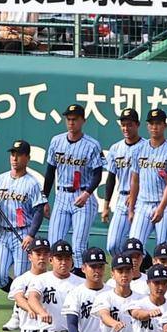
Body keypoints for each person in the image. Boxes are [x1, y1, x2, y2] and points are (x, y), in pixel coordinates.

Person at [0, 138, 46, 305]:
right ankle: (20, 299)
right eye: (13, 154)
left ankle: (19, 310)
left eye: (19, 155)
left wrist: (31, 235)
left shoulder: (32, 183)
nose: (14, 158)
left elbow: (39, 210)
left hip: (22, 234)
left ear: (27, 158)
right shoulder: (0, 180)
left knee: (22, 278)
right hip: (3, 233)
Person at [44, 104, 105, 255]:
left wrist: (87, 193)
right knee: (54, 244)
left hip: (83, 195)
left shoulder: (92, 145)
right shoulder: (56, 141)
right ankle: (62, 277)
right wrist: (44, 199)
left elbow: (98, 174)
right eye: (69, 119)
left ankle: (81, 276)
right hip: (62, 196)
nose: (71, 122)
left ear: (83, 120)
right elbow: (50, 172)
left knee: (78, 246)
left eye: (75, 119)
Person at [125, 110, 167, 253]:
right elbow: (135, 180)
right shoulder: (139, 149)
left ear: (165, 126)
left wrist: (161, 208)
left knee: (164, 252)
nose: (154, 127)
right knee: (134, 248)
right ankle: (143, 274)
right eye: (151, 123)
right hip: (143, 204)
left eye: (158, 124)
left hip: (166, 205)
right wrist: (131, 208)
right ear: (147, 126)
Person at [98, 109, 147, 259]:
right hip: (121, 199)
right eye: (123, 125)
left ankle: (140, 272)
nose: (126, 128)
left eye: (130, 124)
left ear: (137, 125)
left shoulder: (146, 147)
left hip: (141, 200)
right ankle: (124, 270)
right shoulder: (115, 148)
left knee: (136, 246)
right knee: (112, 245)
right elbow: (111, 177)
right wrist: (106, 205)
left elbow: (149, 177)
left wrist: (135, 194)